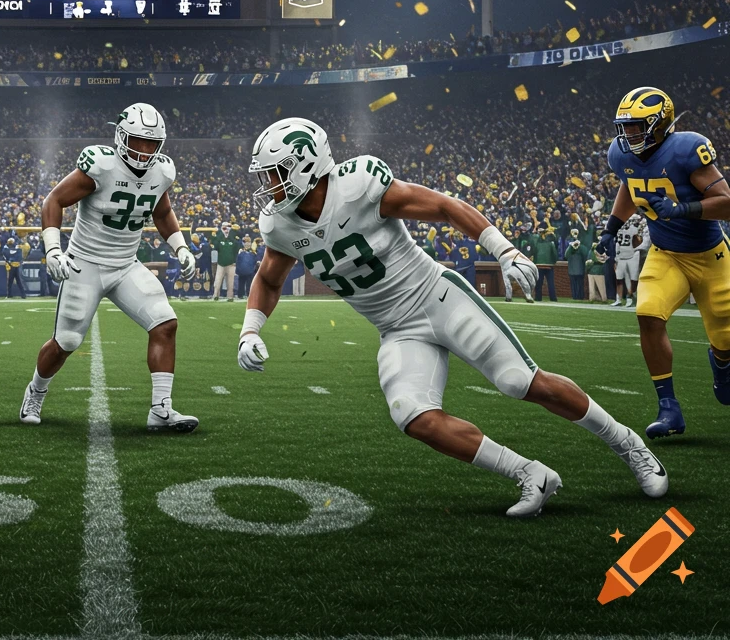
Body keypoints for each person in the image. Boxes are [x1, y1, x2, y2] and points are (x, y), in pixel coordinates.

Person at [238, 117, 667, 517]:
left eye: (274, 174)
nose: (268, 187)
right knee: (412, 414)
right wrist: (250, 329)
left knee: (519, 380)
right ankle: (530, 474)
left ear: (307, 165)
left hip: (436, 296)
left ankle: (627, 444)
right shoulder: (279, 226)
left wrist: (504, 250)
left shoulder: (359, 184)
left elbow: (443, 206)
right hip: (396, 329)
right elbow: (269, 279)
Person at [18, 103, 198, 431]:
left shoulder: (163, 171)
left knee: (165, 323)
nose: (144, 151)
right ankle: (35, 391)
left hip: (126, 265)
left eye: (151, 144)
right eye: (137, 141)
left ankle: (160, 409)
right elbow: (53, 201)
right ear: (120, 136)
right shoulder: (101, 165)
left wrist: (180, 246)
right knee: (67, 342)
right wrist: (53, 251)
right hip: (85, 263)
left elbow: (161, 212)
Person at [599, 86, 730, 439]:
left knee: (726, 339)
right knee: (648, 315)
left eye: (636, 126)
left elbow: (726, 201)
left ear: (660, 124)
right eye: (624, 127)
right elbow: (631, 184)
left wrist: (684, 209)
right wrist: (612, 228)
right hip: (666, 253)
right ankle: (669, 409)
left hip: (711, 256)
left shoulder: (686, 149)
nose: (628, 135)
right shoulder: (621, 154)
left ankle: (722, 362)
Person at [613, 213, 648, 307]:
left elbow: (638, 241)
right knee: (620, 278)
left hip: (632, 255)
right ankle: (620, 298)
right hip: (623, 255)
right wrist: (616, 257)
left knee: (632, 279)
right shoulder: (627, 230)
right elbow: (617, 244)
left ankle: (630, 297)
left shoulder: (631, 230)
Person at [211, 221, 238, 302]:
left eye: (228, 227)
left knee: (230, 282)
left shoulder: (233, 238)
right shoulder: (219, 238)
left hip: (231, 264)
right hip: (221, 263)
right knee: (218, 280)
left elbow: (236, 251)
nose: (226, 229)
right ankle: (216, 295)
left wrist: (235, 261)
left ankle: (230, 296)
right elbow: (215, 246)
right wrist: (216, 236)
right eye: (224, 227)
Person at [532, 230, 558, 302]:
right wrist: (553, 262)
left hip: (539, 265)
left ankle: (538, 297)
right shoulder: (551, 243)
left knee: (539, 283)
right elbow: (555, 255)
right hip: (549, 266)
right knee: (551, 283)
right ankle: (553, 298)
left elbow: (534, 254)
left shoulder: (537, 244)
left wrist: (535, 263)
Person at [565, 229, 588, 301]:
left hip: (579, 269)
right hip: (572, 269)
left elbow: (585, 254)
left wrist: (579, 245)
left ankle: (580, 296)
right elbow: (566, 255)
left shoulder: (582, 246)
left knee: (580, 284)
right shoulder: (570, 246)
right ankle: (575, 296)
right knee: (574, 284)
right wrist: (571, 246)